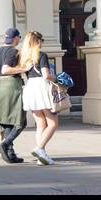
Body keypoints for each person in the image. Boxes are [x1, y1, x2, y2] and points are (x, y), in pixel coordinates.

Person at [18, 30, 59, 165]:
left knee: (40, 123)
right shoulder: (41, 56)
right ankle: (40, 149)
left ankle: (41, 156)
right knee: (52, 123)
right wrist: (57, 79)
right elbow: (46, 75)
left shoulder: (24, 57)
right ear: (38, 41)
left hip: (30, 88)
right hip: (41, 87)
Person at [0, 28, 28, 163]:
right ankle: (6, 144)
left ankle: (10, 153)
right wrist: (24, 69)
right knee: (20, 121)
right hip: (11, 86)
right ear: (16, 38)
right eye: (19, 38)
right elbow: (5, 69)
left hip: (0, 86)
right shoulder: (12, 51)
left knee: (7, 121)